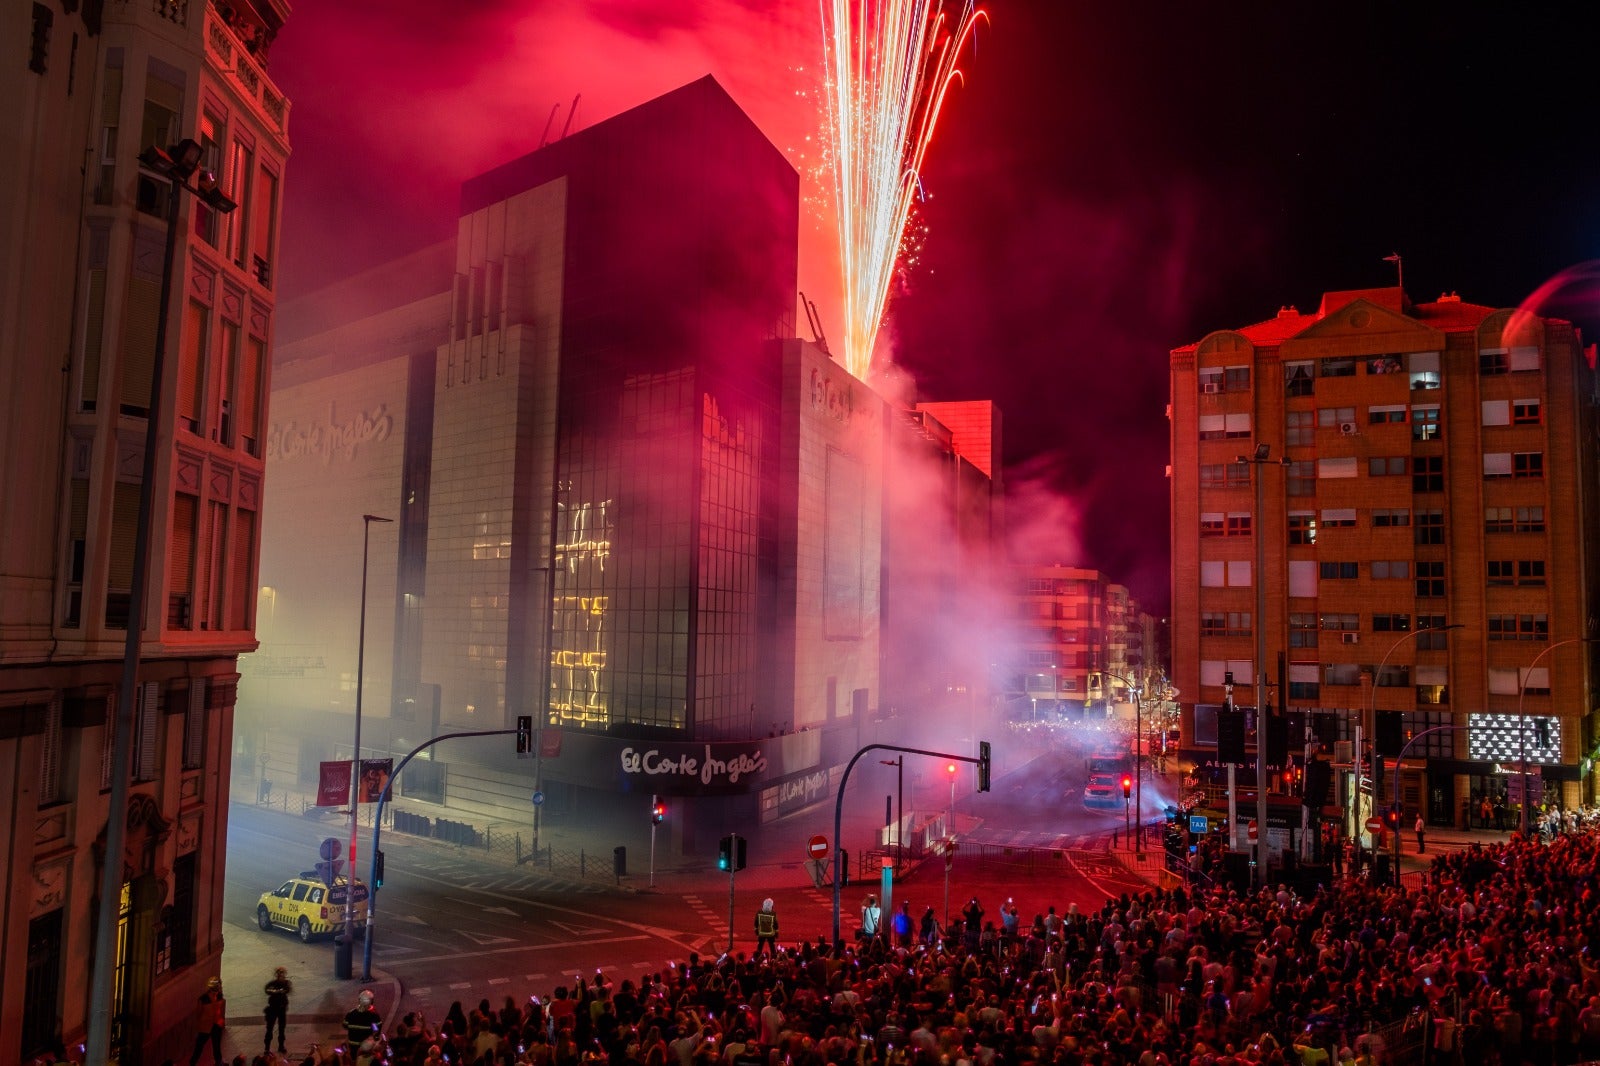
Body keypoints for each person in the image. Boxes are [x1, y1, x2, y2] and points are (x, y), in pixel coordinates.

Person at [189, 977, 226, 1066]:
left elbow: (220, 1011)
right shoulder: (203, 999)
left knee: (216, 1045)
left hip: (216, 1025)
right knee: (199, 1046)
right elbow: (198, 1013)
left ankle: (218, 1061)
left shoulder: (219, 996)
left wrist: (220, 1021)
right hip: (205, 1026)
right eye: (219, 985)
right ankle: (192, 1063)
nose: (220, 987)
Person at [263, 966, 292, 1054]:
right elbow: (267, 990)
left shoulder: (286, 983)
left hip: (282, 1009)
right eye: (279, 973)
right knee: (269, 1028)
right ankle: (267, 1048)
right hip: (272, 1008)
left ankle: (281, 1046)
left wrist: (277, 991)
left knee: (281, 1029)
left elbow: (287, 990)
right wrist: (276, 991)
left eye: (282, 973)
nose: (281, 975)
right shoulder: (272, 983)